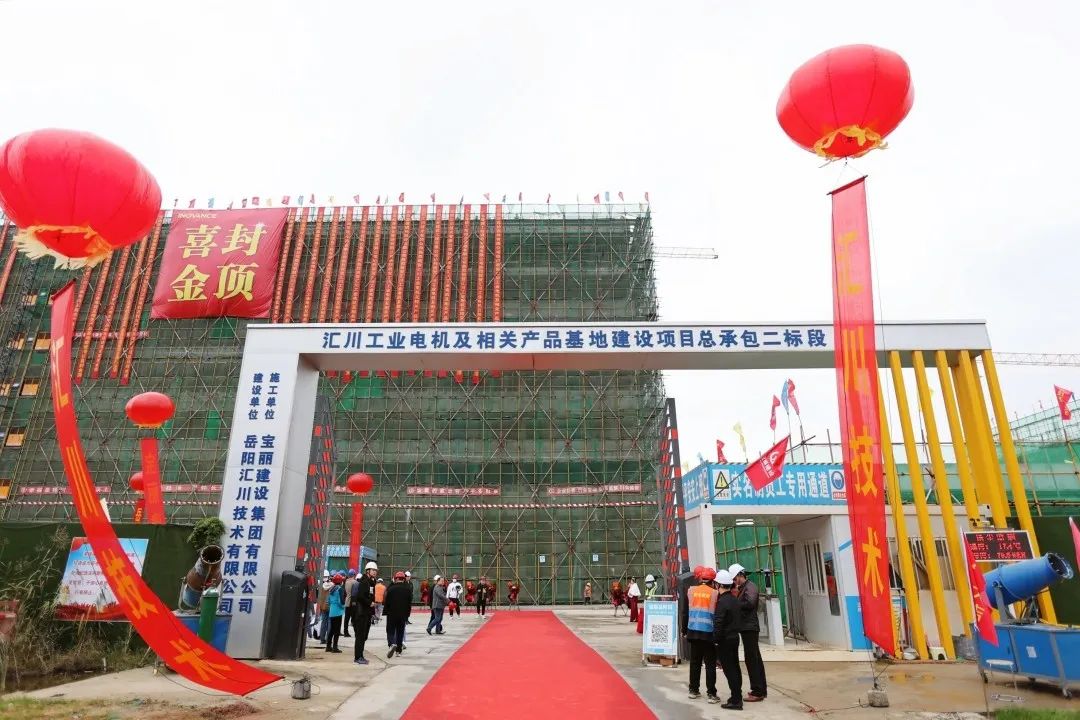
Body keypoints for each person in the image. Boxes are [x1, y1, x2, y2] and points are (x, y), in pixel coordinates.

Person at [680, 566, 719, 704]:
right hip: (708, 632)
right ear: (712, 581)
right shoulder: (715, 593)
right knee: (710, 664)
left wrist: (684, 630)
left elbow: (685, 612)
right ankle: (711, 694)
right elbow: (717, 615)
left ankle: (693, 690)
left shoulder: (691, 591)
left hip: (693, 631)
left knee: (695, 662)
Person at [730, 563, 766, 702]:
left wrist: (734, 603)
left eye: (735, 579)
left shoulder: (750, 587)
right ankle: (760, 689)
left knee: (752, 659)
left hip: (749, 627)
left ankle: (757, 690)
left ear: (740, 575)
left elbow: (750, 603)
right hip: (746, 626)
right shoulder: (744, 587)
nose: (735, 582)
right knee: (755, 658)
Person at [715, 569, 744, 710]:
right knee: (735, 667)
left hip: (725, 640)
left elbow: (719, 622)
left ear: (719, 585)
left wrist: (715, 639)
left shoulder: (722, 602)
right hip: (734, 638)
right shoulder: (734, 600)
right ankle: (736, 696)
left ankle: (736, 700)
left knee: (729, 670)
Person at [351, 561, 378, 665]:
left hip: (367, 613)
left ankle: (360, 655)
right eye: (373, 570)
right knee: (360, 636)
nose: (375, 572)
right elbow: (360, 596)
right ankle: (358, 657)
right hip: (361, 613)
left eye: (375, 570)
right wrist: (370, 603)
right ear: (367, 571)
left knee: (364, 636)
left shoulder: (371, 582)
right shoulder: (364, 582)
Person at [385, 571, 412, 657]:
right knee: (400, 632)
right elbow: (409, 604)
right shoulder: (408, 590)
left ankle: (392, 644)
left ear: (395, 579)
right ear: (404, 579)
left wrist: (385, 612)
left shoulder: (391, 589)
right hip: (402, 614)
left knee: (390, 630)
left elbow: (387, 602)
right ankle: (398, 651)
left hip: (392, 614)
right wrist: (407, 615)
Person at [325, 573, 345, 653]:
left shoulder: (331, 589)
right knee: (337, 631)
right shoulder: (339, 589)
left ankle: (328, 646)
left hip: (331, 611)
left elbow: (328, 601)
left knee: (331, 630)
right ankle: (335, 647)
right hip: (338, 612)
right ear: (340, 581)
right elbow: (341, 601)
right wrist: (343, 607)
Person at [317, 570, 332, 644]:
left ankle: (322, 639)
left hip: (322, 606)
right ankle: (328, 639)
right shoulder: (332, 585)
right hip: (330, 606)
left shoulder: (320, 586)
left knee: (323, 623)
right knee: (330, 623)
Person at [342, 569, 358, 637]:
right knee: (354, 618)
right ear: (354, 575)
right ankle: (356, 632)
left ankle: (345, 632)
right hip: (352, 602)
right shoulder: (355, 582)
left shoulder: (346, 581)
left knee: (346, 618)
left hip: (347, 601)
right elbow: (355, 593)